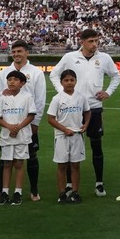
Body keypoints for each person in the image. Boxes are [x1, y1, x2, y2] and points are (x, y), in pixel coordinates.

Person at [51, 28, 120, 196]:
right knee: (69, 146)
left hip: (94, 108)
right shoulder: (70, 58)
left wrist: (108, 92)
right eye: (91, 41)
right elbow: (54, 74)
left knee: (96, 145)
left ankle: (99, 183)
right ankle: (69, 184)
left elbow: (116, 76)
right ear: (81, 41)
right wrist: (63, 92)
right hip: (74, 109)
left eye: (96, 41)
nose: (94, 44)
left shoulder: (104, 58)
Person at [0, 41, 47, 202]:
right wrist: (3, 94)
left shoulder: (36, 73)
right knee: (5, 157)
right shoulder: (4, 73)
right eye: (14, 51)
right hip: (8, 123)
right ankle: (1, 190)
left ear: (27, 52)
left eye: (19, 51)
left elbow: (40, 100)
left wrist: (36, 122)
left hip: (27, 122)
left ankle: (33, 190)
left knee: (31, 155)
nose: (16, 54)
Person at [46, 68, 91, 203]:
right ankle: (62, 193)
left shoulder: (81, 97)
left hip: (77, 135)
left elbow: (88, 112)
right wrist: (64, 129)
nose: (69, 83)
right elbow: (51, 118)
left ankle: (75, 192)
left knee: (75, 165)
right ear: (61, 82)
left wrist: (86, 124)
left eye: (72, 80)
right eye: (66, 80)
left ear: (76, 81)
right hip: (61, 136)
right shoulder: (57, 98)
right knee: (62, 166)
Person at [0, 69, 37, 205]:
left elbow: (31, 115)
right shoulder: (3, 97)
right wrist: (9, 127)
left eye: (15, 79)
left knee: (19, 163)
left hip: (22, 135)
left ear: (22, 83)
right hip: (7, 136)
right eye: (9, 79)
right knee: (7, 163)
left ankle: (18, 192)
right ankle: (5, 192)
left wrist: (18, 127)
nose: (11, 82)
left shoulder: (27, 97)